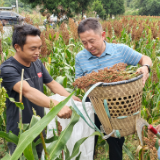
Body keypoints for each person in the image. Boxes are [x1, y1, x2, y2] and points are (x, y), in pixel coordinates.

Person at [75, 18, 152, 160]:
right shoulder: (80, 58)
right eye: (84, 42)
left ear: (103, 35)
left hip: (118, 108)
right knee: (89, 142)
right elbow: (79, 81)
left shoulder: (120, 50)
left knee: (115, 143)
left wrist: (145, 67)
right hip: (95, 107)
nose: (88, 46)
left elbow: (145, 58)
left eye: (92, 41)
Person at [0, 24, 81, 159]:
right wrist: (55, 105)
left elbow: (52, 83)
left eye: (39, 48)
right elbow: (27, 91)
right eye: (33, 49)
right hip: (20, 131)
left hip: (39, 126)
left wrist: (71, 97)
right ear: (17, 47)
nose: (38, 52)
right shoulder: (8, 69)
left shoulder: (37, 62)